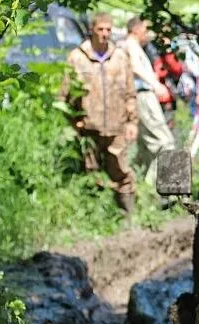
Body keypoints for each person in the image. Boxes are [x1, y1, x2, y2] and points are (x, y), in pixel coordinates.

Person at [62, 12, 138, 218]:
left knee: (121, 173)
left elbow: (131, 93)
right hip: (89, 128)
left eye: (108, 30)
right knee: (91, 173)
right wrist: (73, 121)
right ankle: (94, 218)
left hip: (117, 127)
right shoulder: (77, 57)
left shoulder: (121, 57)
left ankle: (128, 218)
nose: (104, 34)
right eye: (100, 29)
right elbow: (64, 96)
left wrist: (132, 122)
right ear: (92, 30)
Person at [123, 17, 176, 185]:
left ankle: (137, 186)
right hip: (143, 96)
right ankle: (158, 187)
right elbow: (135, 67)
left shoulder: (134, 46)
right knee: (165, 143)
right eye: (145, 30)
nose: (147, 34)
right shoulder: (130, 45)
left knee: (145, 147)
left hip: (140, 96)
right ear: (136, 30)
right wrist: (155, 85)